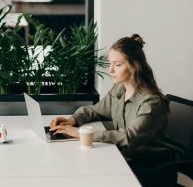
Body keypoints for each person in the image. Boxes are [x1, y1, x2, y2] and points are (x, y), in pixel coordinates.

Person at [50, 34, 180, 185]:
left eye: (117, 64)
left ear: (135, 66)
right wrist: (72, 120)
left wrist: (82, 134)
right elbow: (96, 110)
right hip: (128, 158)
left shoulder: (151, 102)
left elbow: (130, 138)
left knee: (93, 173)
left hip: (152, 166)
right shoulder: (119, 89)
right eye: (110, 63)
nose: (110, 70)